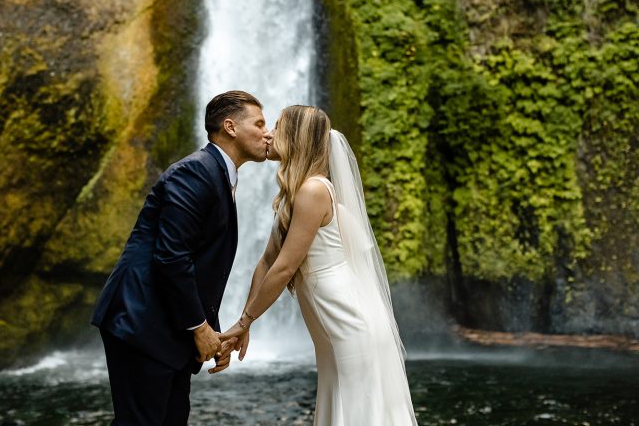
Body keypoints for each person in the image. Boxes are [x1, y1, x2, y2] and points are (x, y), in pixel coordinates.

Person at [222, 105, 418, 425]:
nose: (268, 133)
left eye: (277, 127)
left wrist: (245, 321)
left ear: (296, 137)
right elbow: (266, 263)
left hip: (348, 323)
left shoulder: (313, 190)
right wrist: (245, 323)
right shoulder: (294, 194)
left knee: (357, 411)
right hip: (334, 324)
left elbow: (285, 268)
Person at [91, 90, 272, 425]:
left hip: (165, 327)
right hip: (141, 322)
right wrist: (200, 327)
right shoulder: (196, 172)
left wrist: (213, 333)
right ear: (230, 127)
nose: (269, 132)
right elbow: (172, 256)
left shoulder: (216, 174)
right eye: (259, 123)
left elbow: (201, 266)